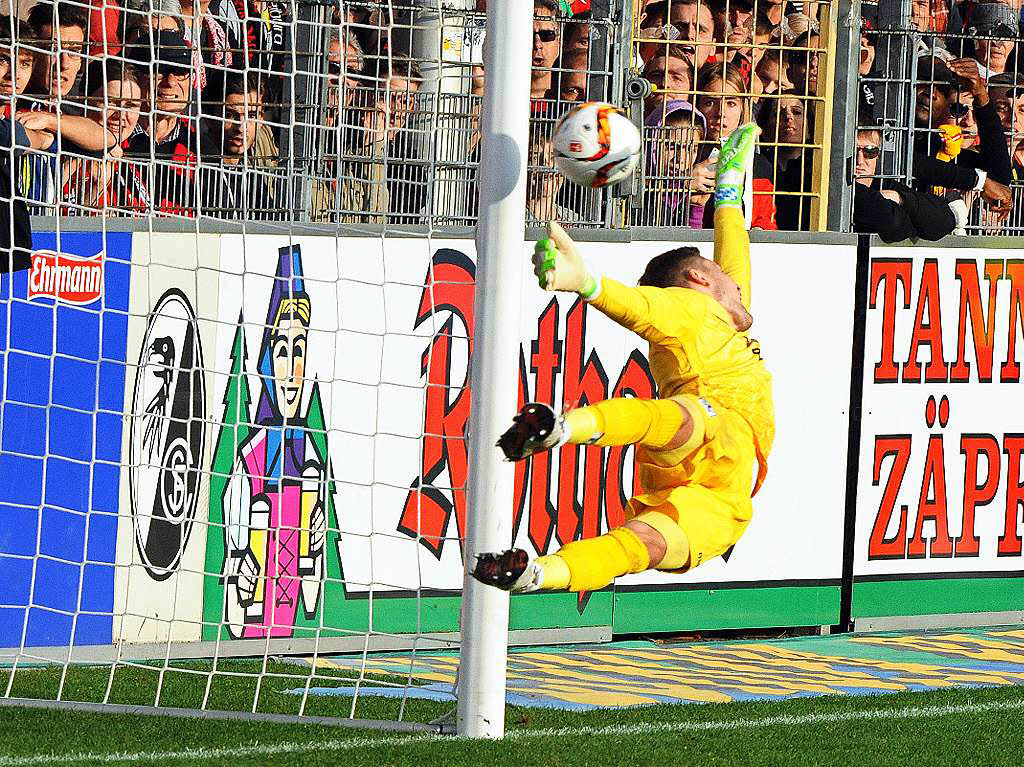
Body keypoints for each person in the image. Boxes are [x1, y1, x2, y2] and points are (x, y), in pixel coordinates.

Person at [473, 123, 773, 594]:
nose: (739, 283)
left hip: (719, 494)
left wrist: (730, 192)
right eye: (726, 280)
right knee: (693, 415)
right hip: (708, 429)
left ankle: (538, 575)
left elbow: (734, 257)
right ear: (697, 279)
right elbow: (643, 308)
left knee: (643, 546)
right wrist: (586, 284)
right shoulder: (692, 308)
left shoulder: (722, 311)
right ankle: (563, 428)